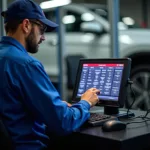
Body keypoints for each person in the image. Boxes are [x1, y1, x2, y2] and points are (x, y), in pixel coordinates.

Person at [0, 0, 100, 149]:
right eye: (42, 29)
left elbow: (14, 105)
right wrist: (86, 102)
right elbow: (63, 123)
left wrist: (55, 106)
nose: (43, 37)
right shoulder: (26, 65)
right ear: (26, 25)